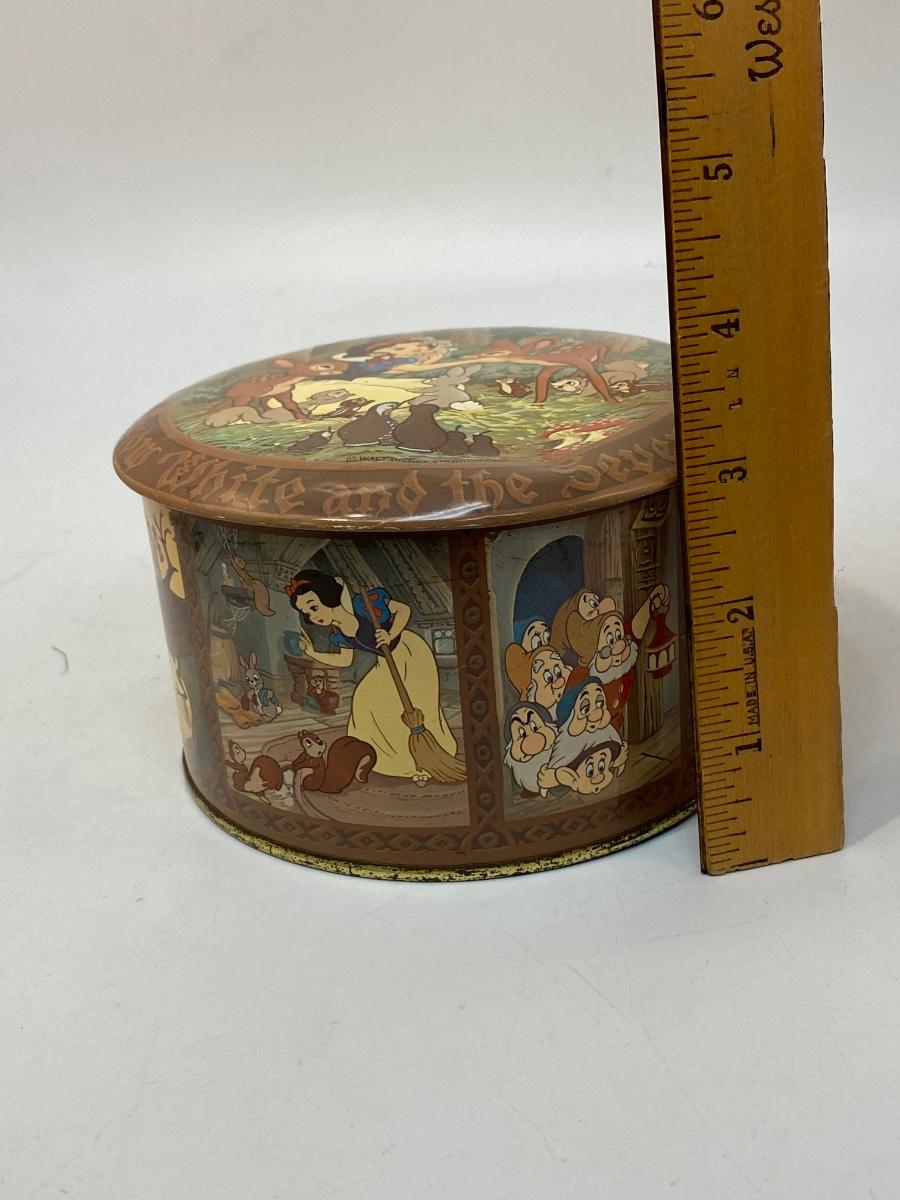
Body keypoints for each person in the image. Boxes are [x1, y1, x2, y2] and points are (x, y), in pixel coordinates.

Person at [285, 570, 457, 781]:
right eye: (307, 613)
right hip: (386, 661)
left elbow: (403, 610)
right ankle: (386, 757)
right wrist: (312, 653)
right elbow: (345, 660)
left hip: (410, 652)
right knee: (364, 700)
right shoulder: (338, 633)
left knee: (417, 700)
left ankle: (428, 754)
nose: (313, 616)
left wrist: (390, 634)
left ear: (327, 595)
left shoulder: (363, 605)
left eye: (314, 607)